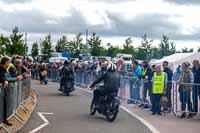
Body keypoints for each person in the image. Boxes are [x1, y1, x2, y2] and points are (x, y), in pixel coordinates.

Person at [0, 57, 22, 126]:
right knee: (2, 106)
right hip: (2, 90)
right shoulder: (1, 68)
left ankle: (4, 120)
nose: (9, 63)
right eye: (8, 62)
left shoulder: (4, 69)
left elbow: (7, 78)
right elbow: (3, 78)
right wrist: (14, 79)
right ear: (6, 62)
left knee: (5, 105)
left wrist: (15, 78)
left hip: (4, 90)